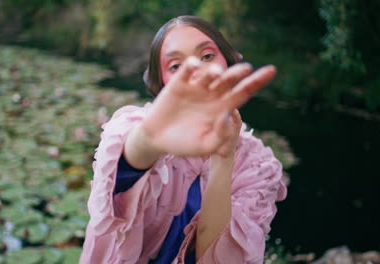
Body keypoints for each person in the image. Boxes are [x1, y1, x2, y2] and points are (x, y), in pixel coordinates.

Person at [80, 16, 287, 264]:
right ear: (163, 83)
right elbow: (123, 173)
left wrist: (224, 156)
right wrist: (149, 140)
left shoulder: (259, 167)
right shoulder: (134, 129)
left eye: (207, 56)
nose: (198, 70)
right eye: (176, 65)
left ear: (228, 63)